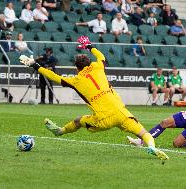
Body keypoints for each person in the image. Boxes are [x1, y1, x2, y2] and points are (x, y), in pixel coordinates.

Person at [19, 36, 169, 160]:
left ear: (76, 68)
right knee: (144, 133)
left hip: (103, 118)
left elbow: (53, 76)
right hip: (121, 112)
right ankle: (151, 147)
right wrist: (89, 45)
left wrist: (35, 65)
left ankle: (59, 131)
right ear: (89, 63)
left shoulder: (76, 80)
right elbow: (101, 56)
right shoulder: (98, 67)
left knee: (78, 121)